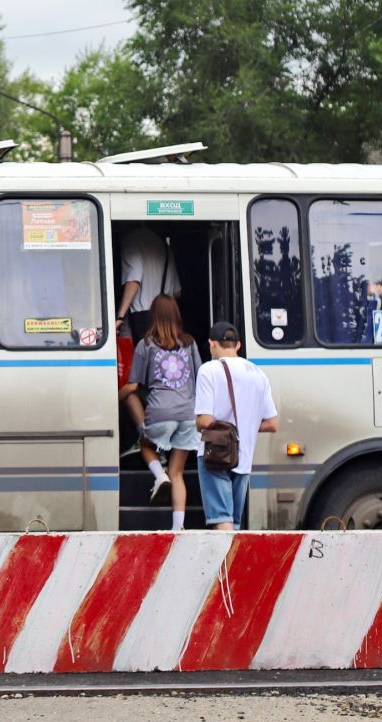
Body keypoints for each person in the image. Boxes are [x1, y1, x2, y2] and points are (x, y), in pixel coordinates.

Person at [193, 321, 279, 531]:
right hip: (243, 457)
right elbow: (272, 423)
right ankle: (229, 562)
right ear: (238, 345)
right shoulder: (258, 373)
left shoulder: (208, 370)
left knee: (222, 519)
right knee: (234, 522)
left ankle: (226, 564)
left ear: (212, 344)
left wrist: (214, 426)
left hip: (215, 454)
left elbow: (204, 421)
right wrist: (245, 425)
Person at [128, 294, 201, 531]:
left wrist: (115, 398)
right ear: (177, 316)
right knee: (177, 472)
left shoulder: (145, 345)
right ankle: (177, 529)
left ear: (153, 316)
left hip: (159, 414)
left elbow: (134, 385)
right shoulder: (190, 343)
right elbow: (200, 376)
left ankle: (159, 475)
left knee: (146, 445)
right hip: (188, 415)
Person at [114, 227, 181, 434]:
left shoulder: (132, 240)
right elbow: (177, 291)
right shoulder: (163, 246)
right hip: (164, 319)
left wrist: (120, 316)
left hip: (140, 320)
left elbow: (134, 280)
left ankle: (148, 436)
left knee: (131, 383)